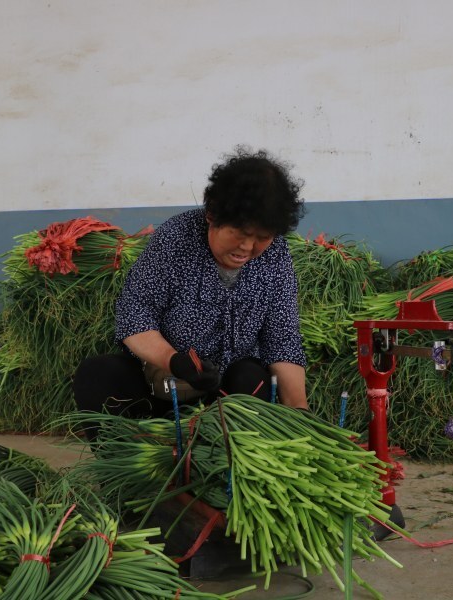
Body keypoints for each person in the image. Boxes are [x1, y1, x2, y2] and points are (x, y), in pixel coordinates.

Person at [73, 146, 308, 433]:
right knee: (98, 374)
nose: (247, 248)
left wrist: (300, 412)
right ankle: (142, 461)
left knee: (250, 376)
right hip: (164, 385)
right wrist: (173, 361)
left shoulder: (276, 256)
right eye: (240, 233)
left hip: (229, 394)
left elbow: (282, 339)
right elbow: (135, 314)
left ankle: (223, 466)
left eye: (262, 237)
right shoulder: (175, 239)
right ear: (212, 215)